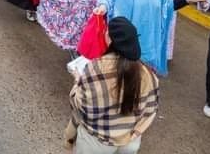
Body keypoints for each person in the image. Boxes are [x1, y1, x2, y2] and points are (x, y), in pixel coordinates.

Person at [64, 17, 159, 154]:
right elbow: (150, 110)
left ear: (109, 39)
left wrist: (77, 81)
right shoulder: (149, 74)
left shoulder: (96, 68)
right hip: (130, 142)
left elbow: (79, 105)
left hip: (97, 142)